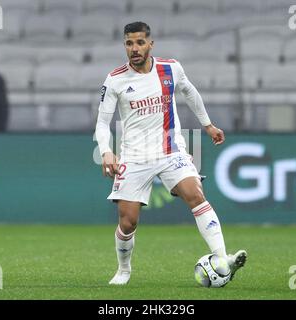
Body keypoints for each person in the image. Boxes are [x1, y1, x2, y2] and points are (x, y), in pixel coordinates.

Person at [95, 22, 247, 285]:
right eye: (129, 43)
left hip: (171, 150)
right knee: (128, 222)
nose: (134, 48)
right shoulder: (115, 79)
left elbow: (190, 91)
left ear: (150, 44)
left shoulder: (171, 69)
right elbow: (101, 122)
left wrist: (207, 124)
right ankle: (124, 270)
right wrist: (107, 151)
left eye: (140, 42)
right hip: (134, 156)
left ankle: (223, 259)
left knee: (195, 195)